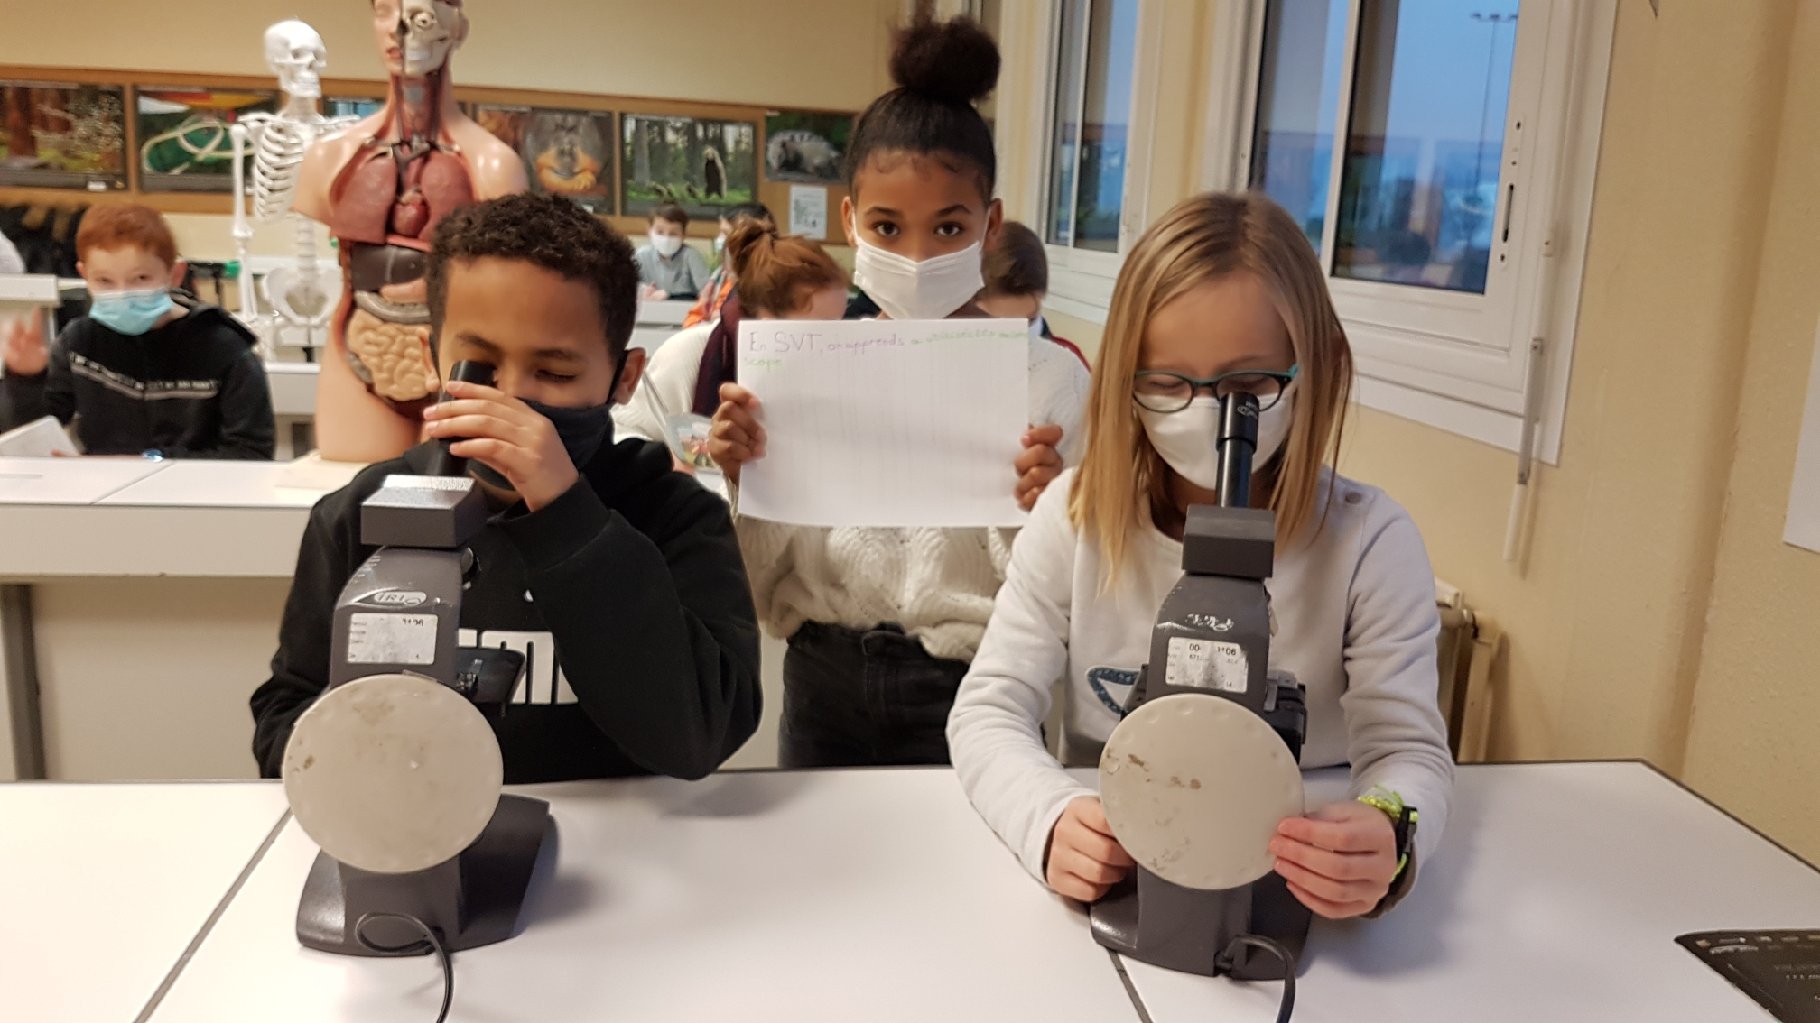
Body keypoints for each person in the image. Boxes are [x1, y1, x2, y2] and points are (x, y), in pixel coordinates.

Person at [947, 192, 1453, 920]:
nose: (1211, 414)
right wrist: (1048, 816)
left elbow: (1409, 754)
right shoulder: (1074, 518)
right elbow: (988, 709)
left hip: (1296, 880)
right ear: (1124, 378)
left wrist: (1389, 832)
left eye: (1249, 386)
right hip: (1128, 870)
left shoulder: (1371, 543)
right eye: (1166, 382)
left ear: (1316, 369)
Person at [250, 193, 761, 782]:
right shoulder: (361, 513)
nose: (511, 401)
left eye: (555, 373)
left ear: (624, 376)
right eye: (480, 367)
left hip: (628, 832)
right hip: (422, 825)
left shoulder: (675, 517)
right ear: (432, 355)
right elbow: (285, 720)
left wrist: (567, 515)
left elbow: (703, 735)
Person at [706, 12, 1092, 769]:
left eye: (948, 229)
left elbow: (1075, 593)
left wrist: (1047, 510)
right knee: (822, 844)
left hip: (977, 681)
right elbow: (761, 577)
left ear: (990, 225)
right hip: (823, 676)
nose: (916, 256)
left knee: (974, 845)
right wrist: (745, 476)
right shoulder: (808, 366)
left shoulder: (1050, 379)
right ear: (850, 221)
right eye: (887, 227)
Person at [0, 204, 275, 459]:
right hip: (101, 489)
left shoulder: (225, 350)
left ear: (174, 275)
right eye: (105, 281)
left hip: (198, 491)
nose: (123, 293)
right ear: (84, 275)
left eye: (141, 278)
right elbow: (32, 436)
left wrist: (146, 463)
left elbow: (251, 453)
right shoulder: (79, 342)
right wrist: (26, 380)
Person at [614, 221, 848, 449]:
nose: (830, 345)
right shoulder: (691, 354)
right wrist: (669, 461)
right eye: (816, 332)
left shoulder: (838, 368)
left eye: (838, 327)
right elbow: (623, 431)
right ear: (763, 317)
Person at [976, 220, 1087, 367]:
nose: (1016, 338)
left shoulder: (1070, 364)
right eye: (1001, 325)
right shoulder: (950, 358)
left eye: (1029, 322)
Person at [682, 203, 774, 329]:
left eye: (725, 233)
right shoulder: (719, 276)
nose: (721, 239)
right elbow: (694, 318)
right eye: (721, 232)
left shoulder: (766, 280)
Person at [634, 203, 711, 301]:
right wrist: (642, 292)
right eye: (660, 232)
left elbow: (707, 292)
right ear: (649, 231)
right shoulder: (640, 256)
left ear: (684, 234)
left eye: (673, 233)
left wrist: (670, 295)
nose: (666, 238)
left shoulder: (691, 256)